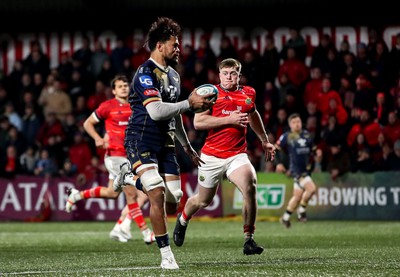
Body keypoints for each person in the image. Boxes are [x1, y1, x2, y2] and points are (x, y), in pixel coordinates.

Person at [113, 17, 214, 270]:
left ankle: (129, 178)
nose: (178, 49)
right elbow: (157, 111)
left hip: (167, 143)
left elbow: (174, 113)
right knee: (156, 193)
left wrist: (187, 147)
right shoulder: (145, 73)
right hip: (141, 138)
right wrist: (190, 104)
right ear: (160, 45)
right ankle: (166, 256)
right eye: (174, 44)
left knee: (174, 199)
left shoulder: (174, 76)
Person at [172, 58, 276, 256]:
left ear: (239, 74)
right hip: (211, 156)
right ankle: (183, 218)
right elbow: (198, 123)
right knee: (203, 201)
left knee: (250, 184)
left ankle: (249, 239)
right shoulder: (210, 94)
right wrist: (230, 119)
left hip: (237, 154)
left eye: (233, 73)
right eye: (225, 74)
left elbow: (253, 115)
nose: (229, 77)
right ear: (219, 75)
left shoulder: (248, 93)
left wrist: (264, 139)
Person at [65, 74, 155, 244]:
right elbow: (87, 123)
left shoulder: (136, 106)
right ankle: (145, 232)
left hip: (132, 156)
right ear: (113, 90)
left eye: (125, 85)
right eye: (120, 86)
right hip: (115, 156)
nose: (124, 88)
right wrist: (98, 139)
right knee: (132, 195)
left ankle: (77, 196)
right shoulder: (107, 106)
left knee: (112, 193)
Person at [275, 113, 317, 228]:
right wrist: (278, 163)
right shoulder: (286, 136)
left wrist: (317, 155)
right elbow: (275, 150)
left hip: (306, 169)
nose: (297, 124)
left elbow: (313, 151)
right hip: (297, 170)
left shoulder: (307, 135)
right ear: (290, 125)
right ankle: (301, 210)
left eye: (298, 122)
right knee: (311, 189)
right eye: (294, 122)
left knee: (297, 196)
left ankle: (285, 217)